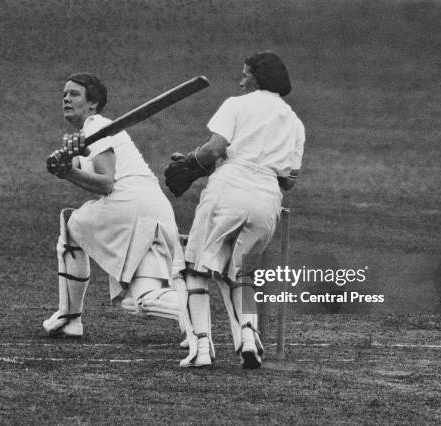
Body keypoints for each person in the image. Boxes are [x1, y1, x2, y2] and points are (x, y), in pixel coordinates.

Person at [44, 72, 197, 365]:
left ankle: (70, 317)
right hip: (154, 206)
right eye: (64, 93)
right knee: (140, 300)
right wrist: (68, 163)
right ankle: (193, 315)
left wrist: (67, 171)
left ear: (93, 103)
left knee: (70, 224)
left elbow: (106, 183)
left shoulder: (96, 125)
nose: (66, 98)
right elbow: (89, 178)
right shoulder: (86, 135)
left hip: (128, 202)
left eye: (75, 94)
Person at [164, 52, 305, 369]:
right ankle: (247, 340)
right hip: (268, 200)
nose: (241, 81)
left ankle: (201, 349)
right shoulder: (295, 123)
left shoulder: (237, 105)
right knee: (240, 273)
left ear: (257, 77)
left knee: (194, 269)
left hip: (227, 190)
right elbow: (290, 180)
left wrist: (189, 163)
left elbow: (214, 149)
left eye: (245, 75)